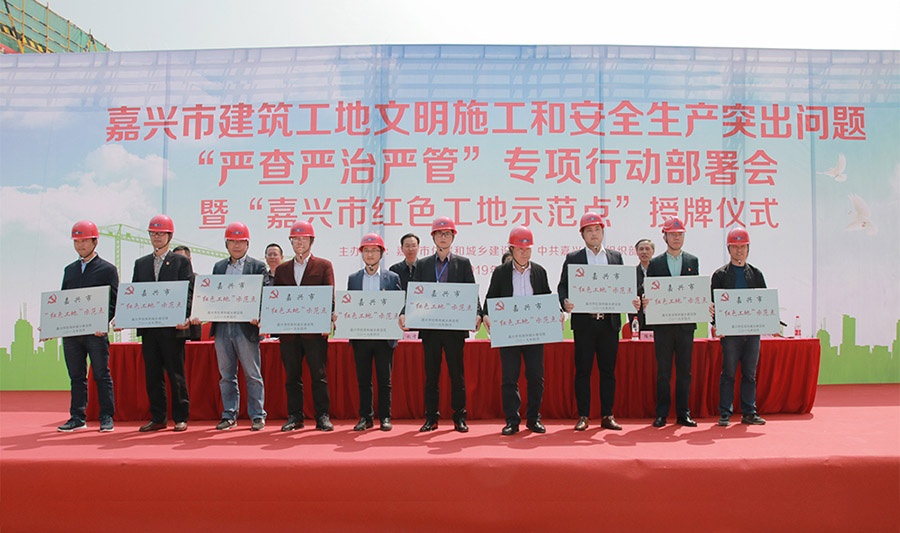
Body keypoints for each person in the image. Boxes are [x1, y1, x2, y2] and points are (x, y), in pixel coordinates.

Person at [399, 216, 483, 433]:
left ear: (453, 237)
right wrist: (404, 313)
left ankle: (459, 417)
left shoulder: (462, 263)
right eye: (439, 233)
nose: (443, 237)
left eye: (447, 234)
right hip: (431, 329)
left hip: (454, 329)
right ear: (433, 237)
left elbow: (471, 292)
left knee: (457, 376)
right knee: (431, 377)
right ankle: (431, 418)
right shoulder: (424, 264)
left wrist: (477, 313)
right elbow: (413, 294)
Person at [557, 212, 624, 431]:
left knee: (608, 371)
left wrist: (630, 299)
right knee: (583, 371)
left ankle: (607, 415)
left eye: (597, 230)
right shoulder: (573, 258)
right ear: (582, 235)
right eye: (589, 231)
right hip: (584, 324)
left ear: (603, 232)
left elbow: (623, 286)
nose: (594, 234)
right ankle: (583, 416)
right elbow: (563, 286)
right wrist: (565, 302)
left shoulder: (615, 257)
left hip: (609, 323)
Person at [483, 226, 552, 435]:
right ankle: (512, 420)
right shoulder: (501, 272)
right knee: (509, 378)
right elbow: (490, 299)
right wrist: (486, 315)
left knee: (536, 377)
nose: (524, 252)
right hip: (509, 334)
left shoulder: (539, 271)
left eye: (528, 249)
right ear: (511, 249)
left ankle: (533, 419)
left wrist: (557, 312)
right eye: (520, 249)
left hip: (534, 333)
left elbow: (547, 297)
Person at [56, 220, 118, 432]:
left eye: (84, 240)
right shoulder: (70, 270)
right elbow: (63, 300)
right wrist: (53, 324)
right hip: (72, 333)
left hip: (95, 333)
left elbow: (114, 301)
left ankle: (106, 417)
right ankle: (77, 417)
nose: (80, 245)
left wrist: (103, 322)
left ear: (95, 241)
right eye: (76, 241)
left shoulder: (107, 269)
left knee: (101, 374)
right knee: (76, 376)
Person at [132, 215, 193, 432]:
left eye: (161, 233)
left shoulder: (181, 262)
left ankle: (181, 417)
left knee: (176, 375)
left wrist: (185, 316)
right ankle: (158, 417)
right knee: (153, 374)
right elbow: (135, 294)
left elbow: (189, 292)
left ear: (170, 235)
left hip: (173, 329)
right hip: (149, 328)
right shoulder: (141, 264)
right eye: (153, 233)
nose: (157, 237)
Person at [274, 220, 336, 432]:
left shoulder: (324, 265)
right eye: (295, 239)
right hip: (289, 333)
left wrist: (327, 321)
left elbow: (329, 296)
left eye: (303, 238)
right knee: (292, 377)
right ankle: (295, 416)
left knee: (319, 375)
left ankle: (322, 416)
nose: (299, 242)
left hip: (314, 332)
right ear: (290, 242)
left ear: (312, 241)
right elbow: (276, 299)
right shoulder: (282, 269)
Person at [207, 222, 267, 431]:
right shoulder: (219, 267)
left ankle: (257, 415)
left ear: (247, 244)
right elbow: (212, 295)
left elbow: (263, 294)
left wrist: (258, 315)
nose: (236, 245)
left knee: (253, 374)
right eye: (232, 241)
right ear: (226, 244)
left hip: (246, 328)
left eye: (241, 241)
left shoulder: (258, 267)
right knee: (226, 375)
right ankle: (229, 415)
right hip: (223, 326)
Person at [645, 216, 700, 428]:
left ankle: (683, 413)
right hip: (663, 327)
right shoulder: (656, 263)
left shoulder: (692, 261)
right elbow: (648, 288)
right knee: (663, 373)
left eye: (680, 234)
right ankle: (662, 414)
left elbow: (696, 290)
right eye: (672, 234)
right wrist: (646, 298)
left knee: (685, 371)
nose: (676, 238)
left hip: (686, 326)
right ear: (664, 236)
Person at [710, 228, 767, 426]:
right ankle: (725, 413)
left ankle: (749, 412)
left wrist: (769, 322)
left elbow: (763, 301)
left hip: (752, 333)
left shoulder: (756, 274)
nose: (739, 251)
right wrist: (716, 325)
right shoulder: (719, 275)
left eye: (743, 247)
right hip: (730, 334)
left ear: (748, 249)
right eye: (735, 247)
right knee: (728, 373)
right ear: (729, 249)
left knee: (750, 374)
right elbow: (714, 305)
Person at [345, 233, 402, 431]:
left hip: (384, 337)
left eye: (374, 250)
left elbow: (398, 306)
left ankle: (385, 417)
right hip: (361, 336)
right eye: (366, 251)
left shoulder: (392, 278)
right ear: (361, 253)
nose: (370, 254)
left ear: (381, 253)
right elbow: (349, 306)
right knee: (363, 379)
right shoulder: (353, 279)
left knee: (385, 380)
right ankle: (366, 417)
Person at [172, 245, 202, 341]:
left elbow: (201, 303)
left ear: (189, 259)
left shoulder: (198, 280)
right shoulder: (169, 282)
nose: (178, 261)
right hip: (173, 330)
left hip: (192, 329)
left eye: (182, 258)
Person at [629, 238, 655, 335]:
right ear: (636, 252)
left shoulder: (659, 272)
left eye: (647, 249)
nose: (644, 252)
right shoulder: (631, 274)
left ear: (653, 251)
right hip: (638, 320)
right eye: (641, 249)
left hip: (657, 319)